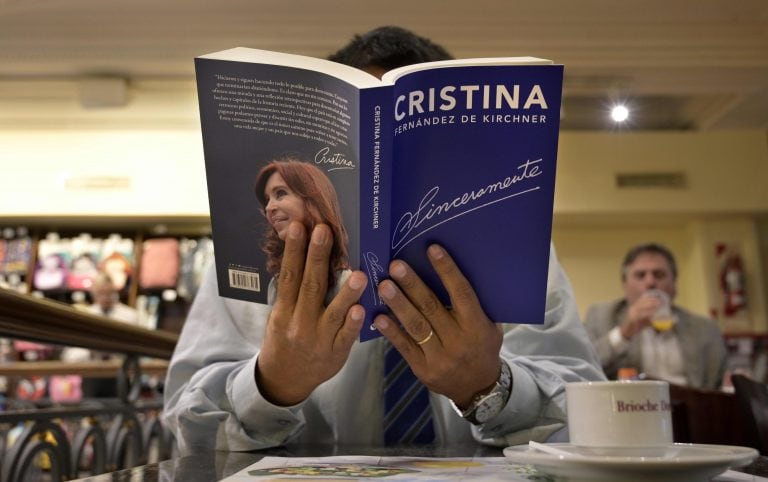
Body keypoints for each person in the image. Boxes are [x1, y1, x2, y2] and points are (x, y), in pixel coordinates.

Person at [163, 26, 604, 454]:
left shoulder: (523, 252)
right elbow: (186, 429)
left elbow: (590, 421)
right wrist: (272, 385)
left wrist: (490, 388)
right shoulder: (255, 261)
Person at [584, 243, 727, 389]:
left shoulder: (705, 329)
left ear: (674, 284)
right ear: (625, 285)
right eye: (640, 275)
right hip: (630, 407)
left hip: (691, 408)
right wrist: (624, 333)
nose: (650, 282)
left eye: (659, 275)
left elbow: (718, 383)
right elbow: (584, 367)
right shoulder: (601, 316)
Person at [254, 158, 351, 304]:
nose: (268, 208)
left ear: (314, 201)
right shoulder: (275, 285)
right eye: (267, 200)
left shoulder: (346, 283)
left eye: (280, 193)